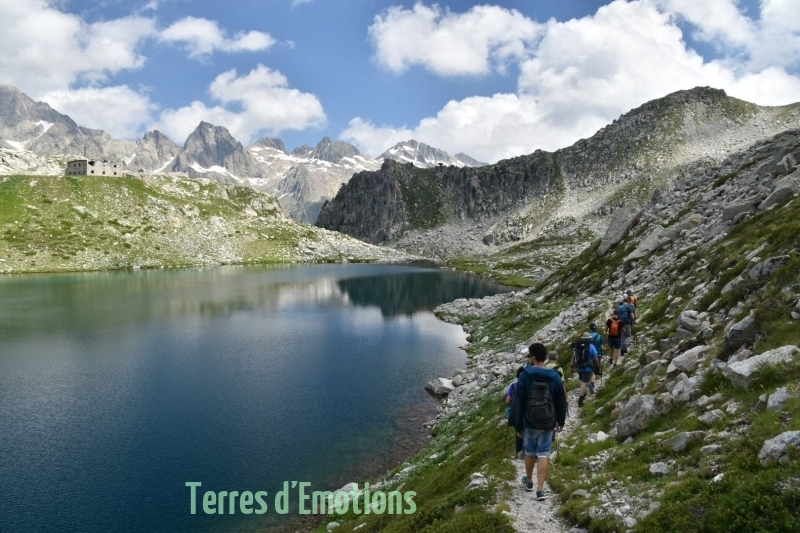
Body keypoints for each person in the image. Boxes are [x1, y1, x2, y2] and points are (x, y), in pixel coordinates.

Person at [512, 343, 567, 501]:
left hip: (529, 422)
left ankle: (529, 482)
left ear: (533, 357)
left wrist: (518, 424)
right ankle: (540, 490)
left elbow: (519, 401)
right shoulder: (555, 376)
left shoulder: (525, 375)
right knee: (543, 454)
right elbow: (561, 401)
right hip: (548, 422)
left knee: (529, 452)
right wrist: (561, 421)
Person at [570, 333, 598, 408]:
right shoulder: (591, 346)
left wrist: (571, 367)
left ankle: (584, 392)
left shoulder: (577, 346)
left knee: (582, 381)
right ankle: (580, 400)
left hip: (579, 367)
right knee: (584, 383)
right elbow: (596, 358)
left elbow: (573, 357)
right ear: (589, 338)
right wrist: (597, 366)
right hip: (587, 368)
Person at [505, 367, 525, 459]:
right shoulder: (528, 385)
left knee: (518, 431)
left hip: (516, 412)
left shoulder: (513, 386)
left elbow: (507, 401)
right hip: (527, 412)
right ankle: (528, 450)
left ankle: (518, 452)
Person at [589, 323, 604, 393]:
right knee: (595, 370)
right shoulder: (599, 336)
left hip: (589, 356)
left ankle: (591, 381)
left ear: (590, 329)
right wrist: (604, 349)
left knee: (591, 369)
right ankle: (592, 383)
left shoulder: (588, 336)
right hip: (598, 355)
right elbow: (602, 347)